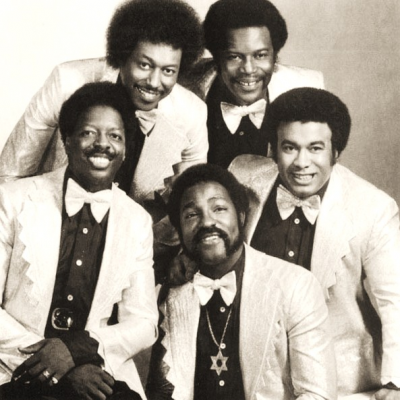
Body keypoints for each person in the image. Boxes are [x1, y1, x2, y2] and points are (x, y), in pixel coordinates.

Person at [229, 87, 400, 398]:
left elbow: (395, 301)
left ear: (336, 152)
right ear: (273, 149)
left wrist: (395, 382)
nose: (301, 162)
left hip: (342, 383)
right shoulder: (244, 178)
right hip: (252, 377)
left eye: (315, 148)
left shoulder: (373, 209)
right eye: (290, 148)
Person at [0, 82, 158, 400]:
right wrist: (58, 364)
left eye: (115, 136)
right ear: (67, 140)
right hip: (15, 369)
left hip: (95, 372)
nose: (102, 144)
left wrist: (77, 351)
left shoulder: (137, 220)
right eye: (88, 133)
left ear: (126, 150)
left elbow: (143, 322)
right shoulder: (13, 199)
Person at [146, 163, 336, 400]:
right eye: (192, 215)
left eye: (219, 209)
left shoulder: (296, 285)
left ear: (242, 217)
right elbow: (162, 392)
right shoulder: (173, 294)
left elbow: (317, 395)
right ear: (180, 230)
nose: (207, 222)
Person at [0, 0, 207, 208]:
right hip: (49, 211)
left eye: (168, 71)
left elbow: (193, 199)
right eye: (144, 65)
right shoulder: (67, 82)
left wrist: (144, 226)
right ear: (122, 56)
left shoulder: (192, 114)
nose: (154, 82)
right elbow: (10, 176)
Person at [182, 0, 324, 169]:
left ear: (275, 56)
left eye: (260, 55)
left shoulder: (307, 91)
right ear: (217, 59)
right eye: (234, 57)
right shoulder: (181, 89)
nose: (248, 69)